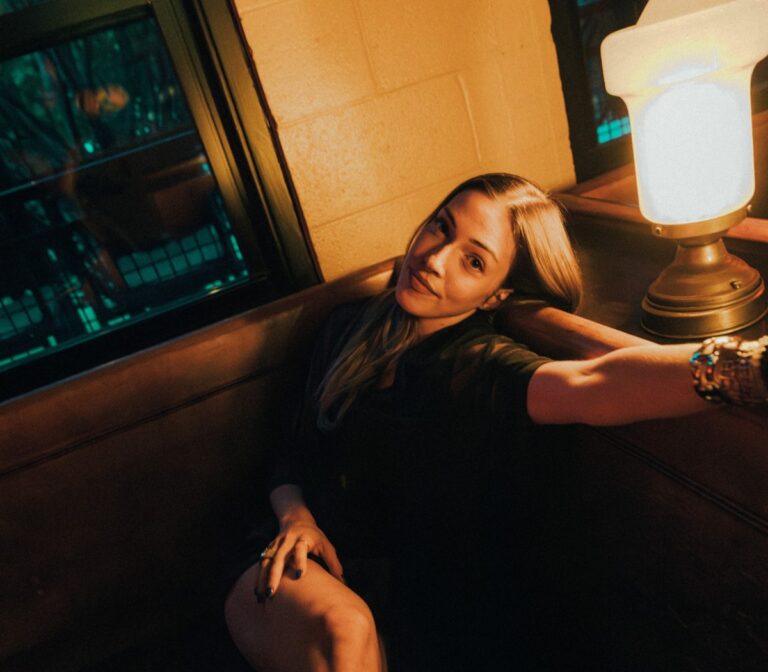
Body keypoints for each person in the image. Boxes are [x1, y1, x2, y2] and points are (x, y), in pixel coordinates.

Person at [224, 173, 768, 672]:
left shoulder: (476, 366)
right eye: (441, 227)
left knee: (355, 632)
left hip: (398, 603)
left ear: (499, 294)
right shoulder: (348, 325)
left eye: (473, 261)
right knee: (345, 627)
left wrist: (746, 366)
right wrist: (296, 520)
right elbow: (290, 452)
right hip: (291, 559)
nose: (434, 259)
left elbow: (595, 382)